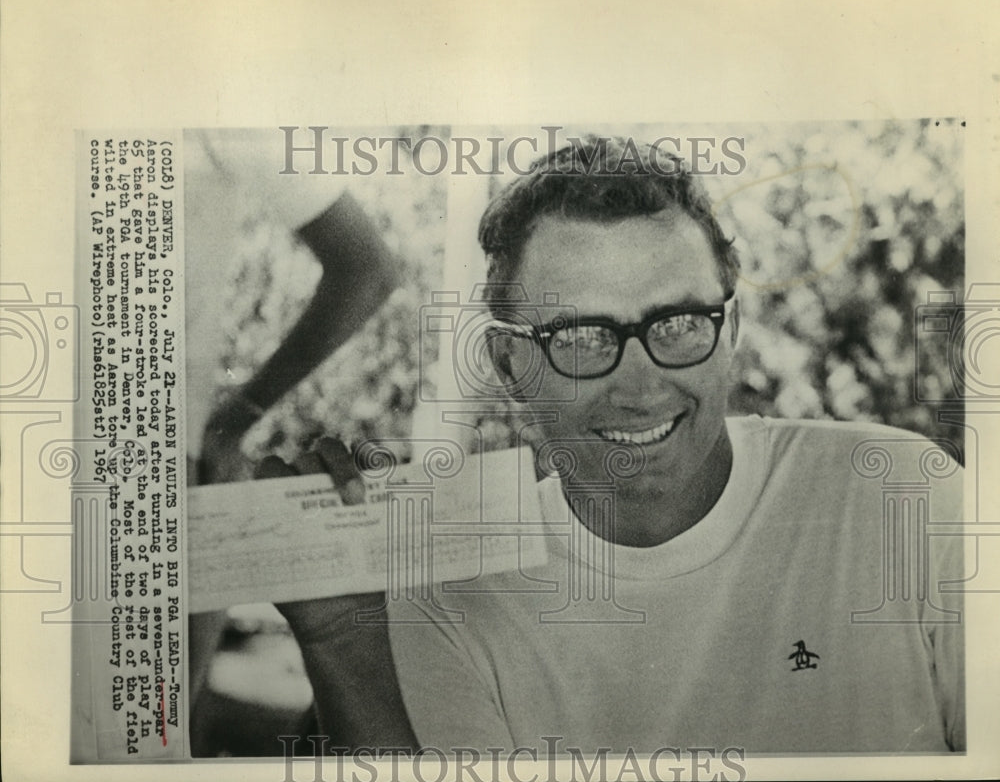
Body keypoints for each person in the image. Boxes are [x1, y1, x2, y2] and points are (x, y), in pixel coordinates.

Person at [259, 135, 964, 756]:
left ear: (733, 328)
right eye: (581, 337)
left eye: (680, 322)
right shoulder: (447, 590)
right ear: (510, 366)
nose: (641, 383)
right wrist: (340, 639)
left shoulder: (904, 494)